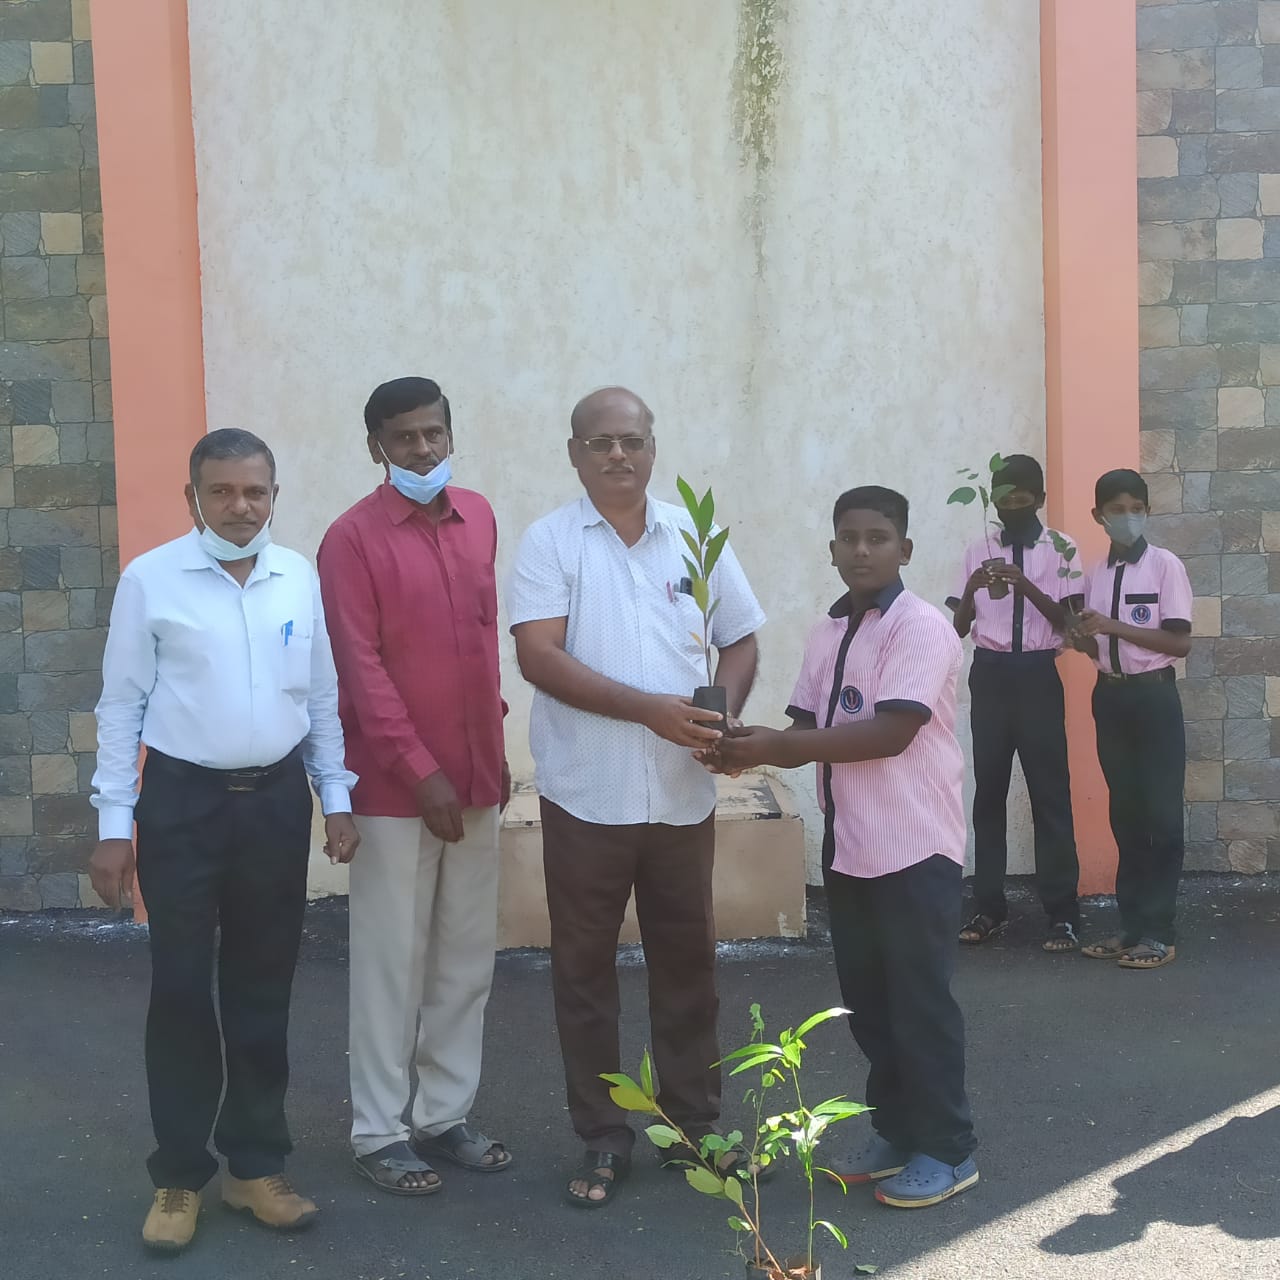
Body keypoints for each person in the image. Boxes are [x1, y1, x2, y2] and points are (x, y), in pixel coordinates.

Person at [89, 429, 360, 1253]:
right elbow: (120, 706)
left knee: (261, 988)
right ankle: (178, 1176)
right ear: (193, 497)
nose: (241, 507)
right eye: (223, 492)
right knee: (178, 989)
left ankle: (253, 1166)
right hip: (181, 805)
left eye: (256, 492)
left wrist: (334, 795)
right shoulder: (152, 580)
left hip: (274, 802)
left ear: (274, 495)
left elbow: (319, 697)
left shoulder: (296, 577)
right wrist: (112, 824)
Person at [507, 386, 765, 1208]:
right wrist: (650, 710)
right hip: (587, 796)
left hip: (682, 797)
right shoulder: (551, 542)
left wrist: (718, 715)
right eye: (601, 443)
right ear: (574, 452)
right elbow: (539, 658)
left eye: (632, 441)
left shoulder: (695, 536)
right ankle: (605, 1136)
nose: (618, 455)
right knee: (585, 977)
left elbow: (742, 636)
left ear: (654, 448)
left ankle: (698, 1132)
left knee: (688, 970)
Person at [716, 486, 979, 1209]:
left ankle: (949, 1150)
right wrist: (740, 742)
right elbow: (806, 723)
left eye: (879, 537)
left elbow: (889, 732)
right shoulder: (830, 630)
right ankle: (897, 1132)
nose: (862, 550)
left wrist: (777, 746)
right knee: (871, 1004)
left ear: (905, 549)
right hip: (852, 847)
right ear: (832, 548)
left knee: (920, 1004)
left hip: (915, 846)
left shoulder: (922, 627)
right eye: (849, 538)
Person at [317, 377, 512, 1196]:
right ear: (376, 448)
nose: (423, 450)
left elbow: (482, 642)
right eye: (405, 439)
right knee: (392, 963)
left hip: (478, 780)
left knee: (465, 959)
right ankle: (378, 1130)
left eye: (434, 434)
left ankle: (444, 1114)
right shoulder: (350, 541)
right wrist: (422, 771)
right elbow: (359, 672)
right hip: (399, 792)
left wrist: (482, 758)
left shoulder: (479, 518)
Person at [948, 455, 1082, 952]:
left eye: (1022, 500)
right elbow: (959, 629)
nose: (1012, 508)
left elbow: (1070, 625)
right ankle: (988, 907)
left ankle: (1063, 913)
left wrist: (1025, 585)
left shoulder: (1063, 549)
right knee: (989, 794)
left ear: (1040, 500)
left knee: (1051, 794)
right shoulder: (977, 549)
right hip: (991, 674)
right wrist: (970, 588)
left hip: (1038, 676)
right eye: (1003, 500)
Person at [1066, 469, 1191, 970]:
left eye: (1135, 507)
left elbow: (1178, 642)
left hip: (1154, 700)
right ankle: (1132, 926)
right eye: (1116, 510)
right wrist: (1077, 636)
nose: (1127, 517)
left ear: (1147, 510)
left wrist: (1115, 625)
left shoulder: (1165, 567)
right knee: (1126, 815)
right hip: (1111, 699)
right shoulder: (1095, 573)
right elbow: (1098, 645)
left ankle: (1160, 933)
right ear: (1098, 516)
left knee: (1162, 817)